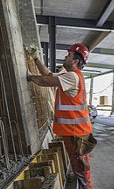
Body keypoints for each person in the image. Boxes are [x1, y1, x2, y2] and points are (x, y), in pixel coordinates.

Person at [27, 43, 96, 189]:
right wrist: (36, 58)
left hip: (76, 133)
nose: (65, 56)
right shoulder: (69, 76)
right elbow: (48, 74)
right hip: (76, 132)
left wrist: (28, 77)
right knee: (80, 167)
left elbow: (46, 81)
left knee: (81, 170)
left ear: (76, 61)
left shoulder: (72, 77)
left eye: (69, 55)